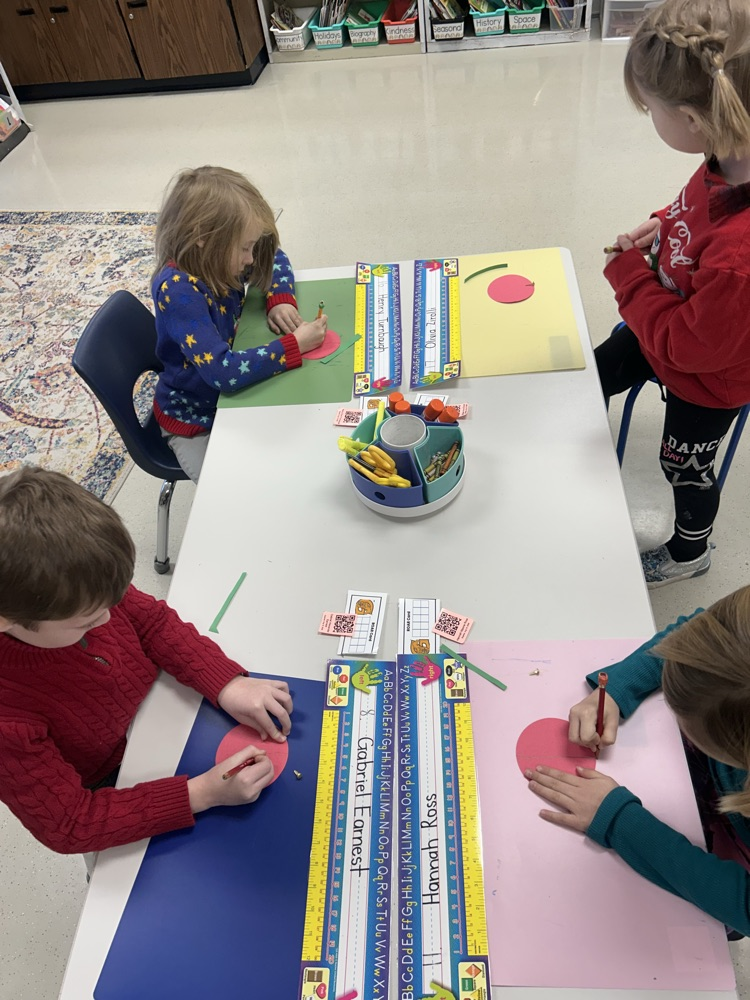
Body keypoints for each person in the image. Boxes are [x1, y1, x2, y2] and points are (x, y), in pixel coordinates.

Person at [0, 466, 293, 854]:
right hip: (113, 778)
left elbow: (150, 621)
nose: (108, 620)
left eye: (112, 602)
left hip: (162, 712)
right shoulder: (8, 719)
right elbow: (71, 824)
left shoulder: (77, 583)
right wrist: (201, 794)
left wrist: (227, 682)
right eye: (86, 622)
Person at [596, 0, 750, 587]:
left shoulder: (741, 260)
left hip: (704, 375)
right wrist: (666, 223)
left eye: (651, 110)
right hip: (667, 322)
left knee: (681, 466)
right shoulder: (731, 153)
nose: (649, 118)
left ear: (692, 119)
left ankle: (691, 552)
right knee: (597, 373)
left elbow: (690, 348)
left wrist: (629, 275)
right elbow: (698, 210)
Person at [527, 585, 750, 937]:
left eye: (686, 725)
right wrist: (617, 688)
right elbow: (698, 634)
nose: (674, 720)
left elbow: (743, 905)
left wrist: (618, 820)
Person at [151, 165, 327, 482]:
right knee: (234, 489)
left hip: (231, 401)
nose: (250, 259)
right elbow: (224, 372)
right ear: (202, 238)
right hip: (195, 419)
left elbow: (273, 256)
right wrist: (295, 345)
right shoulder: (178, 292)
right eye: (244, 248)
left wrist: (280, 298)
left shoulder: (218, 259)